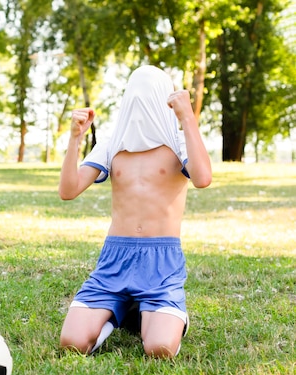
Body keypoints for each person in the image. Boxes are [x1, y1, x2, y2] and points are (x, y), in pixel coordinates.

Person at [58, 65, 212, 358]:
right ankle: (121, 311)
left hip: (161, 263)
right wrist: (75, 140)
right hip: (115, 260)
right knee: (72, 344)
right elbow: (68, 191)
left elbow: (203, 178)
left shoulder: (178, 142)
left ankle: (157, 314)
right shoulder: (112, 144)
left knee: (159, 348)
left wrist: (187, 118)